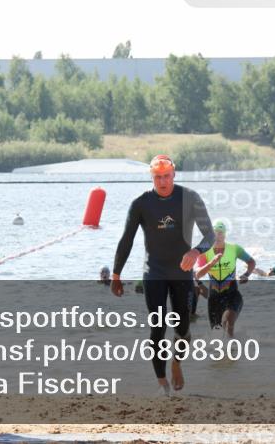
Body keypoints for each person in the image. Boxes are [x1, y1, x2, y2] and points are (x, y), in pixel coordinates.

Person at [111, 154, 214, 395]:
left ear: (174, 174)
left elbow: (209, 235)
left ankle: (176, 362)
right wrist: (116, 275)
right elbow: (126, 240)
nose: (163, 182)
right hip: (154, 272)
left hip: (182, 273)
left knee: (183, 329)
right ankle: (162, 383)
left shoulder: (189, 198)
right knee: (157, 327)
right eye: (158, 177)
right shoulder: (141, 203)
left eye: (166, 176)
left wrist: (196, 251)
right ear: (151, 177)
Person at [195, 221, 256, 339]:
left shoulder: (234, 249)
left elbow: (251, 262)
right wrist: (212, 262)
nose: (218, 236)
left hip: (232, 293)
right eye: (215, 233)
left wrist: (246, 274)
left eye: (220, 233)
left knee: (228, 320)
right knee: (217, 333)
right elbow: (198, 274)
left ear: (225, 235)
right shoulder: (204, 252)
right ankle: (221, 354)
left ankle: (231, 349)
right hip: (214, 298)